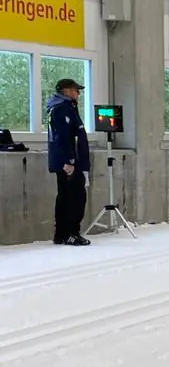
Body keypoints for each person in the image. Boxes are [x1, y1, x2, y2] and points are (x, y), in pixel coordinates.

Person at [47, 77, 91, 246]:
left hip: (72, 161)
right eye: (76, 90)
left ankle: (63, 234)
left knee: (68, 196)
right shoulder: (61, 110)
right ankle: (69, 233)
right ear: (66, 91)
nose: (79, 93)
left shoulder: (68, 108)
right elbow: (62, 138)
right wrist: (68, 161)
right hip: (69, 163)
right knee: (73, 197)